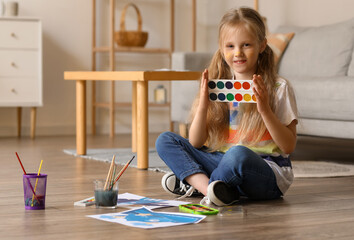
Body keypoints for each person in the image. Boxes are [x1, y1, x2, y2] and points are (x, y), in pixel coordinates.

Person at [155, 7, 298, 206]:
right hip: (223, 163)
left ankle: (197, 184)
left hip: (264, 172)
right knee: (165, 140)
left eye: (246, 44)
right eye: (230, 46)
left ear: (262, 45)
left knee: (237, 153)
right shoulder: (219, 86)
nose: (238, 52)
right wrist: (204, 105)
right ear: (221, 49)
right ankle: (212, 190)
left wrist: (264, 109)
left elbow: (288, 145)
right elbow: (196, 142)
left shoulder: (279, 87)